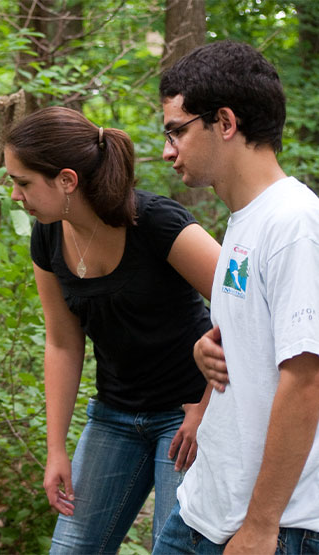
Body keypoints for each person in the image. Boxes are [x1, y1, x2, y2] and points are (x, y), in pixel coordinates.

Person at [4, 106, 221, 553]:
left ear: (66, 180)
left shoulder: (158, 223)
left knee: (172, 546)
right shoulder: (47, 235)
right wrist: (56, 449)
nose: (14, 195)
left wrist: (207, 410)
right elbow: (62, 343)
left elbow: (247, 311)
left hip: (186, 414)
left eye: (22, 182)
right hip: (113, 416)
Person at [153, 40, 319, 554]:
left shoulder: (296, 224)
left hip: (272, 524)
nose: (167, 150)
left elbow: (307, 375)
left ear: (225, 122)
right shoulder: (245, 222)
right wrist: (209, 359)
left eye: (176, 131)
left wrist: (262, 526)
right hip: (204, 505)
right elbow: (251, 346)